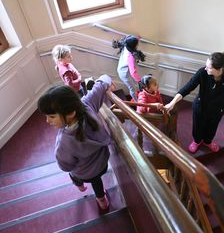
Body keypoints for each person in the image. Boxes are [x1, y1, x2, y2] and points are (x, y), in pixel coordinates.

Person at [37, 74, 113, 210]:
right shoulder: (86, 105)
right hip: (102, 165)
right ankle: (102, 201)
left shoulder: (64, 143)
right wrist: (107, 80)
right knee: (97, 183)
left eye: (52, 116)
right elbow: (102, 83)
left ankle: (80, 185)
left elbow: (65, 166)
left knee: (74, 174)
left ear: (71, 113)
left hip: (84, 174)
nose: (47, 121)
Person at [165, 52, 224, 153]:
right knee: (198, 126)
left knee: (212, 128)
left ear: (219, 69)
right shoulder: (202, 73)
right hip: (200, 106)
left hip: (218, 108)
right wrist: (173, 102)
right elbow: (187, 88)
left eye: (209, 67)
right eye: (206, 66)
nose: (205, 68)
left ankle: (208, 142)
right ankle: (197, 141)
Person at [112, 35, 145, 101]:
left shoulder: (126, 44)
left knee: (133, 84)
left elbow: (129, 38)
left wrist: (137, 38)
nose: (138, 45)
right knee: (132, 88)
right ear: (134, 46)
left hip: (123, 68)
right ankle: (137, 102)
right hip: (124, 74)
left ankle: (136, 97)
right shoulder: (131, 57)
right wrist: (140, 81)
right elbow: (133, 72)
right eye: (137, 44)